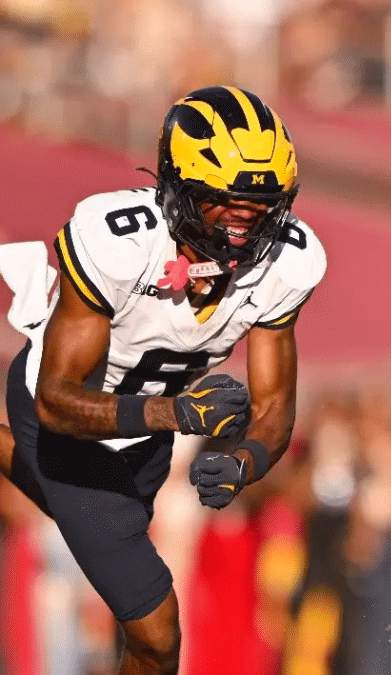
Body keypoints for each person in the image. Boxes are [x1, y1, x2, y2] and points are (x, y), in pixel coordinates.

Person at [0, 85, 326, 675]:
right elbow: (56, 400)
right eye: (223, 203)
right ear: (178, 188)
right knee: (155, 627)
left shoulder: (289, 260)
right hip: (66, 414)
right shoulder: (120, 239)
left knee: (90, 525)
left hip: (151, 437)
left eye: (260, 206)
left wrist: (244, 463)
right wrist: (173, 415)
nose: (243, 223)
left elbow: (276, 405)